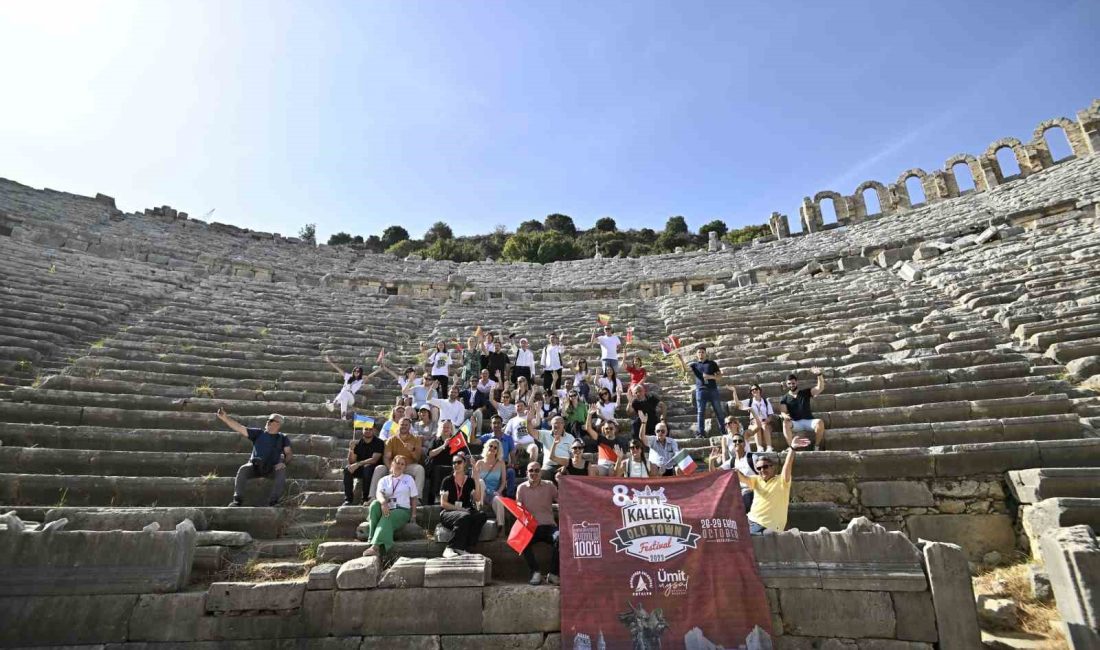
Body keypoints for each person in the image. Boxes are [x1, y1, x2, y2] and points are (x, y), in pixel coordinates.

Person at [217, 409, 292, 507]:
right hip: (255, 466)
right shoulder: (258, 433)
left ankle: (274, 502)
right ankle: (237, 500)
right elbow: (240, 428)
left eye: (271, 420)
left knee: (281, 471)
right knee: (243, 469)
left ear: (278, 424)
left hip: (272, 468)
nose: (267, 422)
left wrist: (284, 463)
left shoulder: (282, 438)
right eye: (268, 420)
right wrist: (225, 418)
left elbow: (288, 453)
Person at [735, 439, 805, 534]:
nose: (762, 470)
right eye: (759, 468)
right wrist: (735, 472)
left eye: (765, 467)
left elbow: (787, 466)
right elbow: (742, 478)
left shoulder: (782, 480)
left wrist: (792, 449)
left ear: (773, 467)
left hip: (767, 526)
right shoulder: (756, 479)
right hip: (750, 520)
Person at [363, 455, 418, 556]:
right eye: (398, 463)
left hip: (402, 510)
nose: (399, 466)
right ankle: (371, 539)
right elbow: (378, 494)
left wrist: (413, 515)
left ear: (405, 467)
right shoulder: (384, 480)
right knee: (375, 505)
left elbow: (414, 498)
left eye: (402, 464)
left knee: (387, 515)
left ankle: (376, 547)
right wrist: (383, 502)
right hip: (387, 506)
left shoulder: (408, 479)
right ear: (392, 463)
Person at [517, 461, 560, 586]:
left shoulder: (550, 485)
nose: (534, 473)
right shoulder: (521, 488)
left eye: (536, 470)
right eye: (531, 470)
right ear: (526, 473)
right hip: (531, 528)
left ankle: (553, 574)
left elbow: (562, 500)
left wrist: (560, 482)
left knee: (562, 539)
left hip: (549, 526)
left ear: (541, 472)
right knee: (521, 541)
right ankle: (535, 572)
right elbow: (518, 509)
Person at [438, 453, 488, 557]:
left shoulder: (469, 481)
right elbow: (443, 503)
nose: (456, 464)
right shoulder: (447, 480)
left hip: (465, 511)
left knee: (481, 516)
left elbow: (477, 498)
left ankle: (463, 547)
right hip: (448, 512)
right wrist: (460, 509)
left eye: (459, 462)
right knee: (465, 517)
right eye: (453, 463)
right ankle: (450, 547)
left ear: (464, 464)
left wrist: (476, 479)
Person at [369, 417, 426, 499]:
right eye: (401, 424)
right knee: (379, 468)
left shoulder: (416, 439)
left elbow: (417, 458)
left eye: (406, 425)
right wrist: (390, 469)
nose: (403, 426)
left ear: (409, 426)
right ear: (398, 426)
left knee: (420, 469)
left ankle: (416, 499)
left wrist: (412, 450)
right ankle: (372, 497)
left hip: (408, 466)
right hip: (394, 466)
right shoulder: (391, 440)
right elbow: (386, 457)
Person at [710, 419, 757, 513]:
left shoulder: (752, 458)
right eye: (734, 441)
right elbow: (715, 473)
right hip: (737, 492)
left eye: (740, 441)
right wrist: (711, 461)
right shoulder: (731, 462)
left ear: (744, 444)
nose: (737, 443)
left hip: (752, 492)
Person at [779, 369, 826, 450]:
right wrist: (785, 416)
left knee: (820, 422)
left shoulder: (805, 392)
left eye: (793, 383)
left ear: (797, 382)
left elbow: (820, 388)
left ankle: (816, 446)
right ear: (786, 384)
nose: (791, 385)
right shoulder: (785, 398)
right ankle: (791, 447)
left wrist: (819, 375)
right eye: (789, 384)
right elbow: (783, 411)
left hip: (809, 421)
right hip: (796, 423)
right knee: (785, 423)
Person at [342, 420, 385, 505]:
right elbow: (352, 461)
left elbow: (374, 460)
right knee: (347, 470)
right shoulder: (358, 443)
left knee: (367, 468)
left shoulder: (379, 442)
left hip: (375, 469)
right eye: (366, 429)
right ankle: (348, 499)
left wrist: (358, 464)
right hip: (361, 467)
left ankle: (365, 498)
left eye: (370, 429)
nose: (368, 431)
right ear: (362, 430)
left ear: (374, 430)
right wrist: (351, 450)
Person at [689, 345, 726, 439]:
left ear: (706, 353)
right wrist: (681, 359)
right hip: (700, 390)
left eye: (702, 352)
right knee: (700, 412)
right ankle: (701, 433)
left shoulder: (712, 363)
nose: (701, 354)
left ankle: (724, 431)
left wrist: (710, 377)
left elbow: (720, 376)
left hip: (712, 389)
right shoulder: (695, 365)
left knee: (718, 411)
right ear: (696, 354)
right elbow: (685, 369)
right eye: (699, 352)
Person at [475, 436, 510, 526]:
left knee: (498, 499)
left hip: (493, 493)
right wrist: (473, 469)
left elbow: (503, 482)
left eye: (495, 447)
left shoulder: (501, 463)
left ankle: (500, 526)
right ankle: (480, 507)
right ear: (487, 447)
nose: (492, 448)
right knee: (481, 482)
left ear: (498, 450)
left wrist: (498, 492)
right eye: (491, 446)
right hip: (481, 493)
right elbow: (474, 480)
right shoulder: (479, 462)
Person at [733, 383, 776, 452]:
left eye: (756, 389)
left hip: (765, 422)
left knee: (764, 426)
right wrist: (734, 391)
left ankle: (769, 447)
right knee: (757, 426)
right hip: (754, 423)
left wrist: (766, 421)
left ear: (759, 390)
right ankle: (759, 447)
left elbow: (770, 415)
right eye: (752, 390)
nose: (754, 391)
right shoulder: (749, 401)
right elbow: (738, 404)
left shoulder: (765, 401)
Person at [583, 409, 626, 477]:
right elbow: (588, 428)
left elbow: (623, 458)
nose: (608, 430)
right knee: (592, 468)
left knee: (612, 470)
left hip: (614, 465)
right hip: (602, 466)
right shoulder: (600, 438)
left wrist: (619, 459)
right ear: (603, 430)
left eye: (611, 428)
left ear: (615, 429)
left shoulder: (620, 442)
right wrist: (589, 414)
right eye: (606, 428)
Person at [536, 416, 575, 481]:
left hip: (564, 465)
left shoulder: (570, 437)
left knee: (566, 476)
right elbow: (531, 432)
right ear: (551, 424)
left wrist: (565, 466)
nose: (557, 425)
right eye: (555, 423)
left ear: (563, 424)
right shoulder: (545, 434)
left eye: (560, 423)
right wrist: (528, 421)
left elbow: (574, 454)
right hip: (549, 466)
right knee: (541, 474)